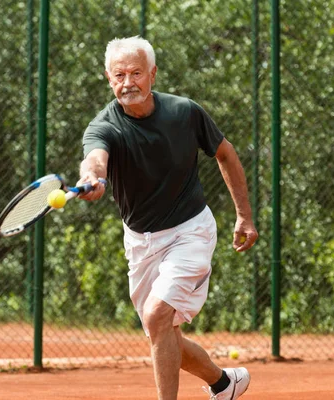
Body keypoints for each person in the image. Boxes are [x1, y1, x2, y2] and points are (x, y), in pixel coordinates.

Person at [77, 36, 258, 400]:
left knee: (158, 316)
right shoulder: (103, 127)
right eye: (119, 75)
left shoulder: (184, 112)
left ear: (153, 74)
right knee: (163, 333)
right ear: (108, 79)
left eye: (136, 73)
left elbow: (226, 154)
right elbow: (95, 159)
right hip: (141, 241)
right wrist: (91, 177)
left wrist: (244, 216)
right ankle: (224, 383)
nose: (128, 82)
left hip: (191, 230)